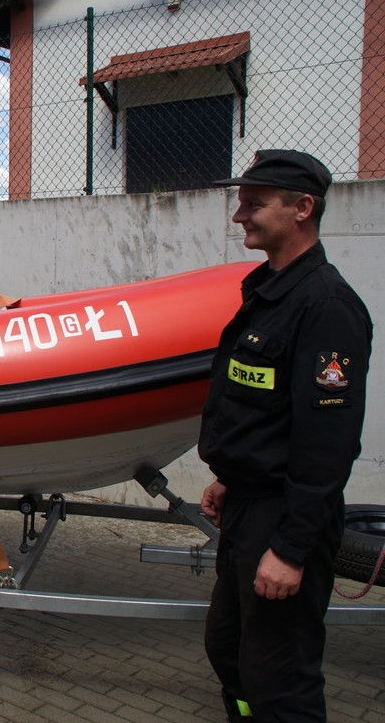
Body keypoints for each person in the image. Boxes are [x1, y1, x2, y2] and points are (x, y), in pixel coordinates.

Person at [198, 150, 372, 723]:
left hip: (284, 518)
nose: (238, 215)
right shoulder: (269, 290)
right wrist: (229, 478)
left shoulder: (326, 306)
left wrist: (291, 550)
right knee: (230, 652)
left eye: (254, 204)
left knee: (281, 679)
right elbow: (259, 408)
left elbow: (328, 443)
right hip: (248, 506)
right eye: (241, 202)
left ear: (302, 208)